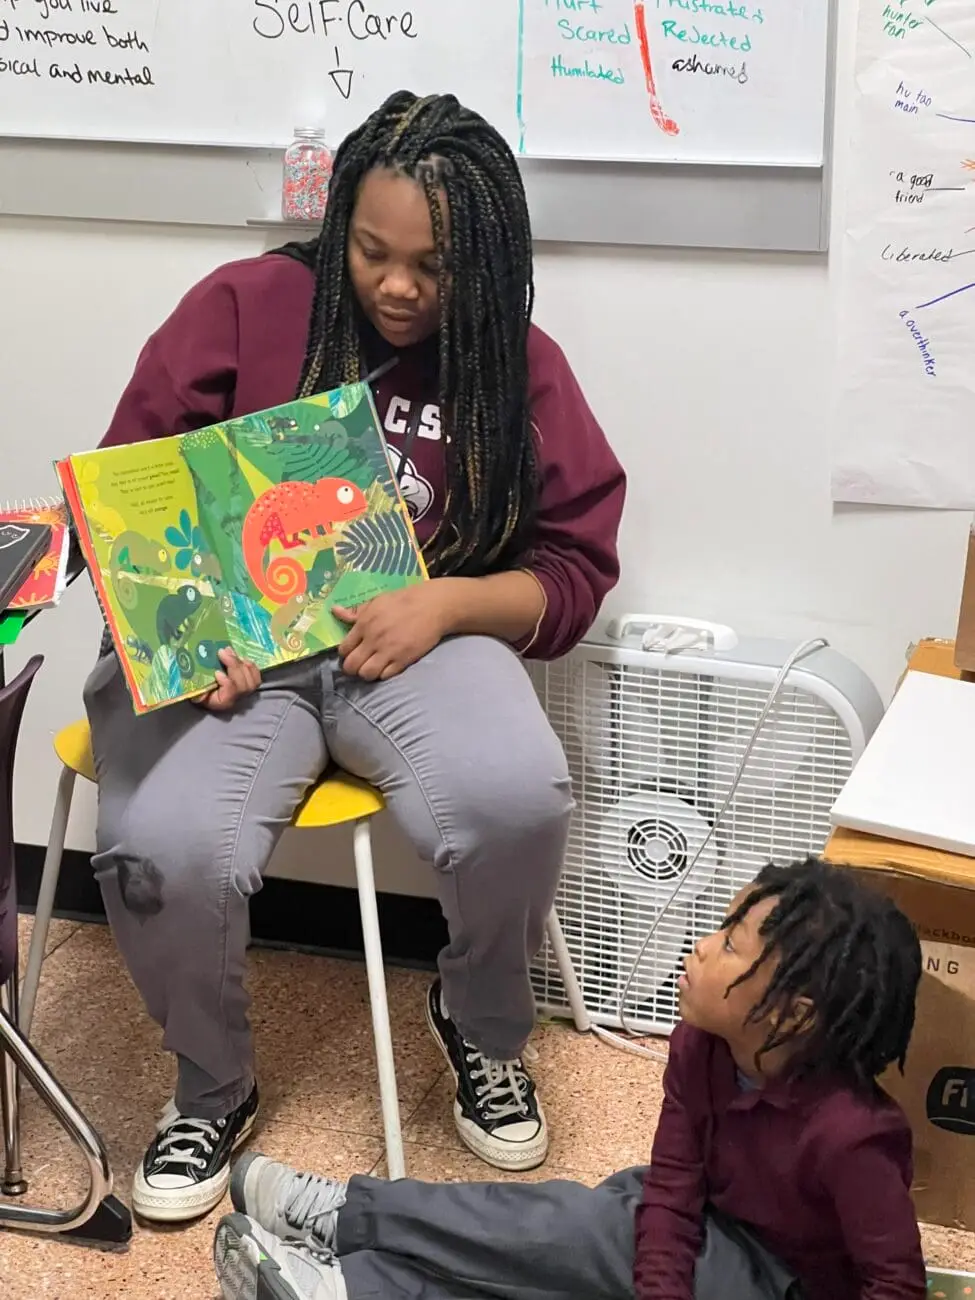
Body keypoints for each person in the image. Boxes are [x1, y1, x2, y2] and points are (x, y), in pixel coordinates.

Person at [83, 89, 626, 1223]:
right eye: (372, 252)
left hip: (416, 633)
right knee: (166, 845)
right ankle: (212, 1086)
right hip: (238, 651)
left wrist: (453, 602)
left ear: (483, 260)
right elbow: (124, 496)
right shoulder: (244, 305)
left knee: (518, 792)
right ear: (338, 230)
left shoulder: (517, 364)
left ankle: (479, 1024)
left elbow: (576, 569)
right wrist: (192, 631)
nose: (395, 286)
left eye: (431, 267)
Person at [210, 857, 928, 1300]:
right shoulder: (699, 1046)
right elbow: (674, 1185)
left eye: (730, 945)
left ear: (793, 1016)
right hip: (699, 1225)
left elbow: (895, 1283)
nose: (702, 946)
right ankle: (350, 1286)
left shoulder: (853, 1135)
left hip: (779, 1282)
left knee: (589, 1236)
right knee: (568, 1245)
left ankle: (349, 1219)